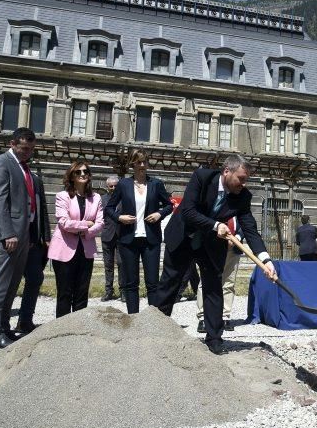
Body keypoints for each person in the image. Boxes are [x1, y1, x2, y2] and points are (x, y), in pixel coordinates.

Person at [157, 155, 276, 354]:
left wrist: (265, 260)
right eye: (241, 178)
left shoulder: (243, 196)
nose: (244, 183)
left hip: (210, 245)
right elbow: (188, 211)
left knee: (213, 288)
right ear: (226, 172)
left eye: (246, 179)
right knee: (170, 282)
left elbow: (250, 229)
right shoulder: (202, 177)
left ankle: (214, 339)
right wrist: (215, 225)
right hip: (183, 236)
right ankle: (156, 329)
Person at [0, 127, 37, 348]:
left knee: (12, 285)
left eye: (31, 149)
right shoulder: (0, 163)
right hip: (7, 236)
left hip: (22, 236)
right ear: (13, 144)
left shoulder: (24, 167)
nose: (28, 153)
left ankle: (4, 327)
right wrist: (8, 233)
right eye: (24, 148)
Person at [105, 149, 173, 314]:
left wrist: (159, 214)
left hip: (151, 239)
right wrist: (120, 218)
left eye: (145, 162)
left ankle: (152, 319)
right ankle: (133, 319)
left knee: (152, 282)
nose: (142, 165)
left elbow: (169, 205)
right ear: (132, 164)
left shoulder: (156, 184)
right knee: (131, 283)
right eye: (139, 162)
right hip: (128, 239)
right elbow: (109, 208)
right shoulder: (123, 184)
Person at [47, 161, 104, 318]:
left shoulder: (96, 197)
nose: (82, 174)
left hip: (86, 250)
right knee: (64, 293)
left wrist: (85, 231)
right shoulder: (62, 196)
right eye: (78, 172)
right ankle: (62, 330)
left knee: (82, 292)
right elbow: (64, 223)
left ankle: (78, 330)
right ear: (71, 176)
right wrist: (87, 224)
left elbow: (100, 223)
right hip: (64, 250)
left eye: (85, 171)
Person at [14, 170, 50, 334]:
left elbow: (42, 208)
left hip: (34, 240)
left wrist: (46, 236)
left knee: (35, 278)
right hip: (12, 240)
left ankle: (25, 320)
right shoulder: (8, 174)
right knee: (9, 283)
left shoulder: (35, 179)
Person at [196, 217, 241, 333]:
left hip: (233, 248)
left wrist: (237, 238)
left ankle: (225, 316)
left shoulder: (240, 204)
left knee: (229, 282)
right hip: (212, 247)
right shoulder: (215, 202)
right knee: (205, 281)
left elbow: (244, 226)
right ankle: (203, 317)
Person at [100, 175, 122, 302]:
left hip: (121, 236)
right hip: (107, 236)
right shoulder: (102, 199)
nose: (113, 188)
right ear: (107, 187)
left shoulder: (124, 199)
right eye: (111, 186)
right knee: (108, 265)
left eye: (115, 186)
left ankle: (123, 291)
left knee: (121, 264)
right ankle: (109, 291)